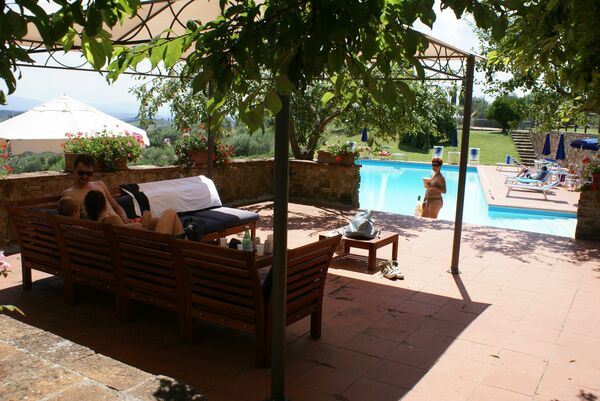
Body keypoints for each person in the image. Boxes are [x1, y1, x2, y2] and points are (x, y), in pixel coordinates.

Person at [84, 190, 186, 236]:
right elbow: (137, 239)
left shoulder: (93, 225)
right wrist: (145, 223)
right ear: (104, 205)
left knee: (158, 220)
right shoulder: (111, 220)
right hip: (153, 249)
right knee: (170, 212)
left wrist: (130, 224)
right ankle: (186, 251)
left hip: (139, 248)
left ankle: (184, 251)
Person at [62, 154, 129, 222]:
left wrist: (124, 217)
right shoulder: (69, 194)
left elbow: (116, 206)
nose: (85, 176)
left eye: (89, 174)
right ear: (74, 170)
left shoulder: (100, 185)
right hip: (101, 227)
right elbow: (71, 222)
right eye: (81, 173)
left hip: (120, 224)